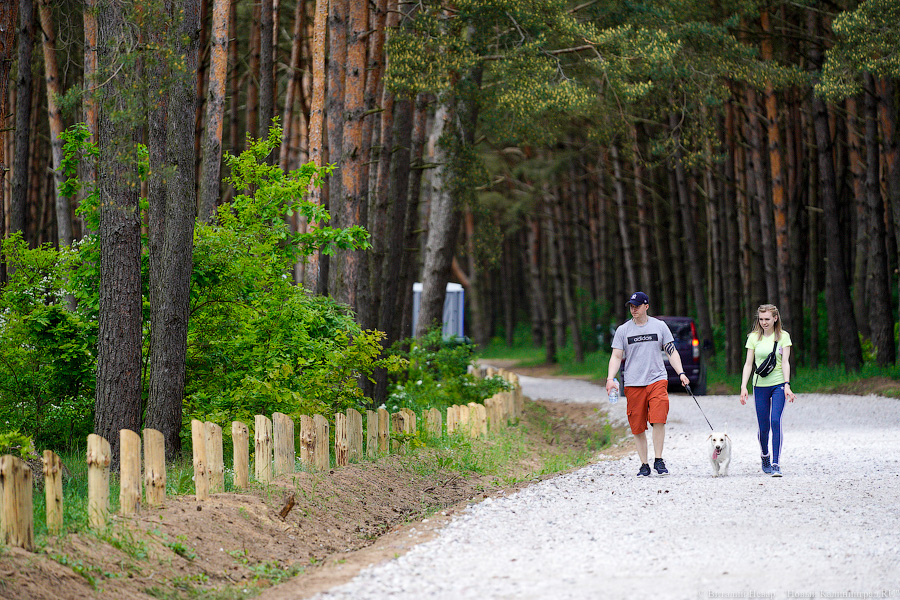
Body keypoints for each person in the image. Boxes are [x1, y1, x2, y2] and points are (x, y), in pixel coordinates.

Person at [606, 292, 689, 476]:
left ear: (646, 306)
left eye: (637, 306)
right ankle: (644, 464)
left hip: (657, 379)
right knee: (637, 426)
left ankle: (658, 460)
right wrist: (610, 378)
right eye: (631, 306)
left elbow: (671, 351)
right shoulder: (623, 330)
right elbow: (616, 356)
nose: (633, 309)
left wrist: (681, 373)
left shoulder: (659, 326)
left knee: (658, 418)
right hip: (633, 382)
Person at [739, 303, 796, 477]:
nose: (764, 322)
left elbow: (785, 362)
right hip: (760, 385)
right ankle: (765, 455)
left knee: (775, 421)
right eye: (761, 319)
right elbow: (748, 364)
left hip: (778, 384)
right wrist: (743, 386)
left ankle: (776, 463)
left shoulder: (783, 337)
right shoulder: (753, 338)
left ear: (775, 318)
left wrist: (787, 384)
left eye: (767, 319)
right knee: (763, 427)